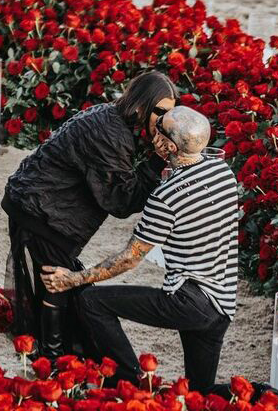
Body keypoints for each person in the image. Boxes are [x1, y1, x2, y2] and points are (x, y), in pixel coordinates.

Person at [41, 106, 238, 394]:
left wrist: (72, 279)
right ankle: (265, 393)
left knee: (92, 301)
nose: (153, 131)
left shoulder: (166, 197)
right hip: (222, 305)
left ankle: (133, 382)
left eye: (160, 129)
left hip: (189, 301)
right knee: (200, 394)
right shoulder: (222, 172)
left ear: (169, 146)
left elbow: (130, 258)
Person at [1, 71, 178, 358]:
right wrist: (156, 162)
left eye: (169, 114)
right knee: (56, 281)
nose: (163, 121)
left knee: (62, 282)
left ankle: (53, 350)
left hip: (40, 203)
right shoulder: (111, 133)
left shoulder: (114, 119)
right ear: (140, 104)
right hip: (40, 209)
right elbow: (119, 201)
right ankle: (52, 356)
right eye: (158, 112)